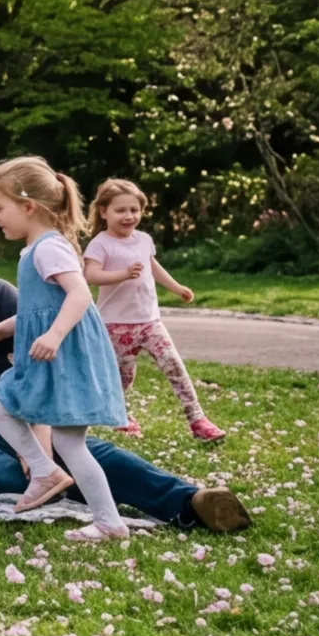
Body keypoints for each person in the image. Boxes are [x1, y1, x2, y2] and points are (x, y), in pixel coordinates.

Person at [0, 201, 249, 531]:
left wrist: (40, 449)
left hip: (27, 418)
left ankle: (191, 501)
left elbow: (41, 372)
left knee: (80, 451)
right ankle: (66, 482)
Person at [0, 157, 132, 539]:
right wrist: (3, 328)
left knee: (2, 407)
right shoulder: (35, 250)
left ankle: (58, 482)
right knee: (64, 440)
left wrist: (54, 336)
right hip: (53, 357)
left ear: (28, 206)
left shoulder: (48, 248)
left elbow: (79, 295)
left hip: (64, 357)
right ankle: (91, 507)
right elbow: (40, 309)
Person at [82, 178, 221, 443]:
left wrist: (177, 288)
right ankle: (120, 418)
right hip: (115, 326)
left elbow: (152, 266)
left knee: (175, 366)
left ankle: (198, 420)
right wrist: (122, 274)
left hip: (150, 322)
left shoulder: (144, 240)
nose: (129, 216)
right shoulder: (101, 243)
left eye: (134, 210)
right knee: (121, 378)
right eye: (120, 210)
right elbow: (90, 275)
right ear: (103, 212)